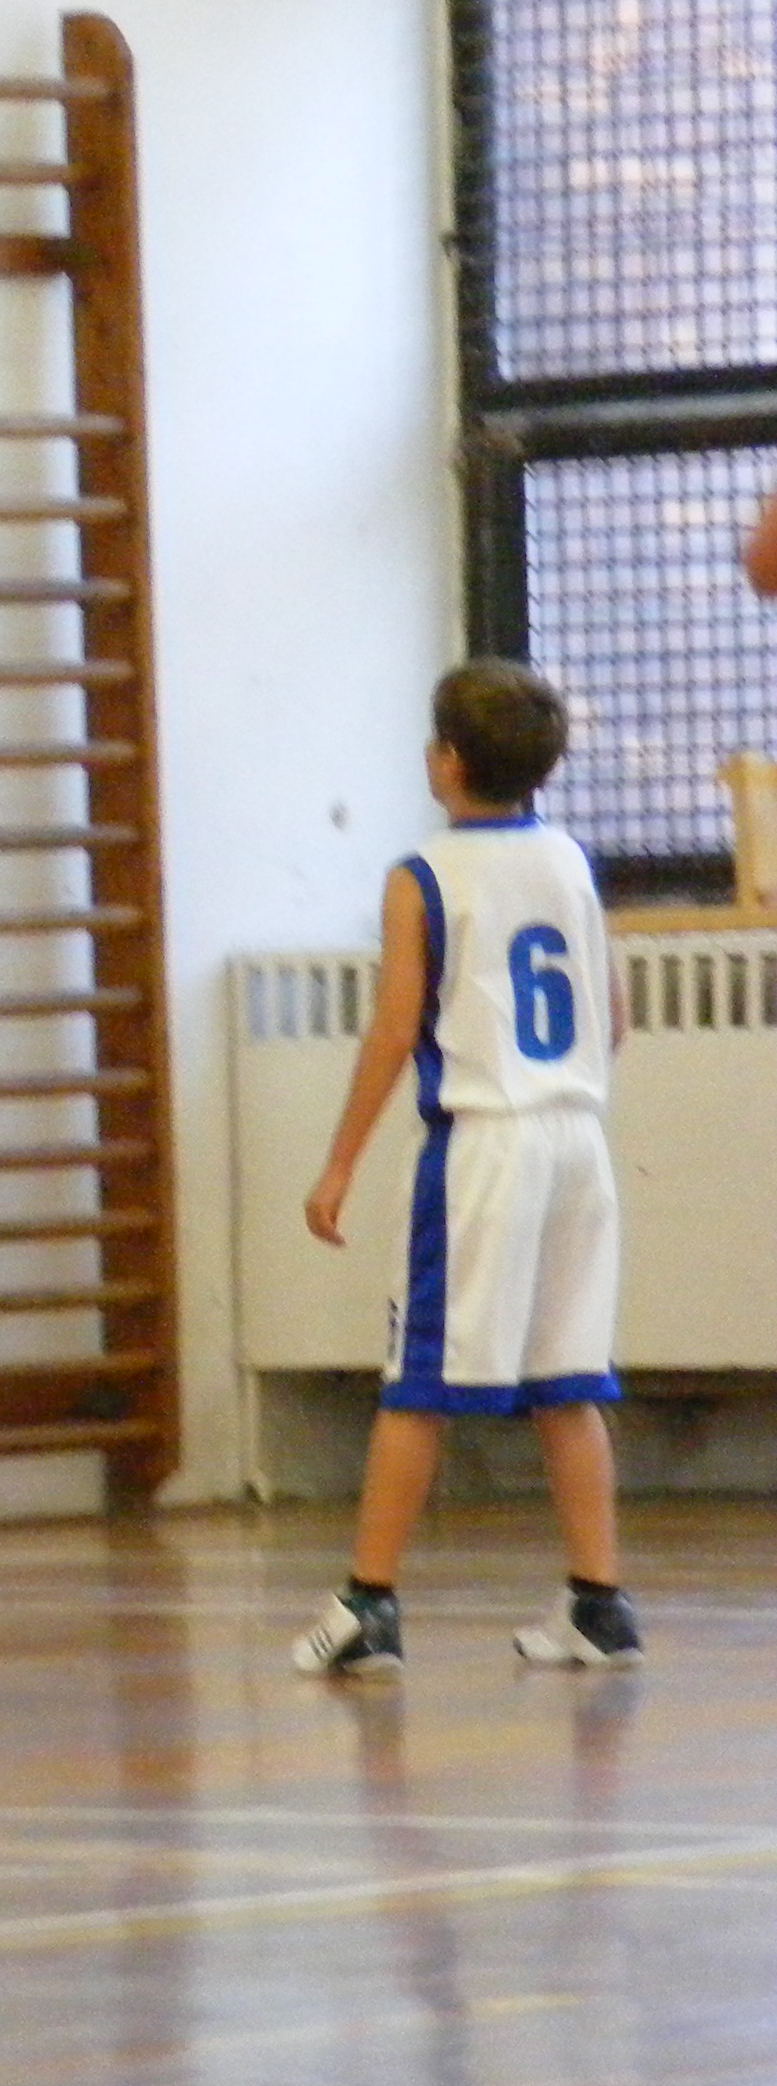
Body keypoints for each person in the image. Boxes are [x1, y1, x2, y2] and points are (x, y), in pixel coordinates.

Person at [291, 657, 639, 1677]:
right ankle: (600, 1604)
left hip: (485, 1146)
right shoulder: (571, 861)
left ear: (446, 760)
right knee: (568, 1381)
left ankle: (370, 1603)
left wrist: (338, 1163)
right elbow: (614, 1018)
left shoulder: (423, 874)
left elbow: (395, 1027)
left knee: (420, 1381)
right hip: (578, 1141)